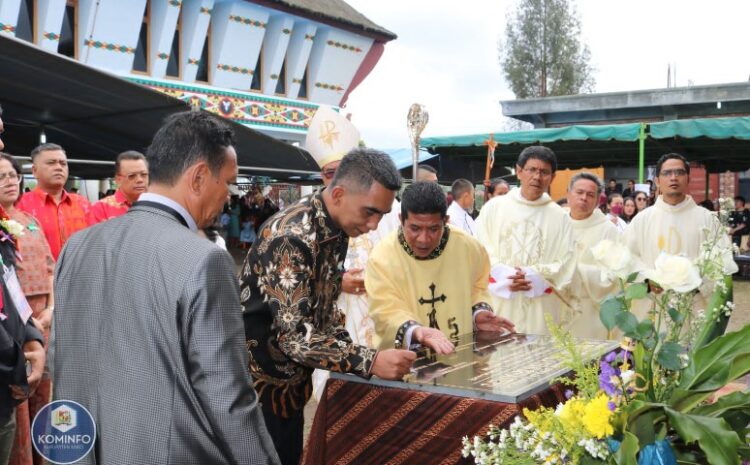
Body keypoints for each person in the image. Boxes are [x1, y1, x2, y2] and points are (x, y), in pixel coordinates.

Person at [51, 111, 279, 464]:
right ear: (199, 177)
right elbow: (226, 394)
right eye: (228, 183)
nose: (228, 197)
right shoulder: (205, 260)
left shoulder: (77, 246)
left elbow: (61, 356)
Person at [240, 148, 416, 465]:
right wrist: (370, 360)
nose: (374, 225)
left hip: (291, 387)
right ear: (338, 193)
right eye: (370, 212)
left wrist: (352, 351)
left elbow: (325, 308)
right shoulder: (291, 238)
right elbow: (295, 338)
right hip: (257, 394)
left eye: (382, 216)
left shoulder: (336, 228)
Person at [306, 106, 402, 401]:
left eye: (340, 172)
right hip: (337, 317)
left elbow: (403, 258)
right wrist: (338, 282)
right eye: (328, 173)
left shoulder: (388, 210)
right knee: (337, 399)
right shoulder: (308, 216)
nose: (334, 180)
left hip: (379, 311)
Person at [367, 182, 515, 352]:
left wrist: (478, 314)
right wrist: (416, 331)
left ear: (446, 221)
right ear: (401, 219)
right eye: (415, 228)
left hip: (459, 354)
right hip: (407, 362)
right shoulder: (383, 258)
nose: (423, 239)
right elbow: (384, 309)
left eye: (433, 229)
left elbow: (478, 288)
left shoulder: (468, 248)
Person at [624, 153, 738, 320]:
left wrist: (698, 283)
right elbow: (627, 258)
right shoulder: (642, 220)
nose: (673, 178)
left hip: (692, 306)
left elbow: (723, 261)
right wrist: (646, 280)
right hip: (653, 308)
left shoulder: (706, 218)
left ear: (688, 178)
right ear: (657, 181)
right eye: (667, 173)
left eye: (679, 172)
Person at [475, 146, 575, 334]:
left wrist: (534, 276)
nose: (537, 177)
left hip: (540, 309)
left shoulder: (560, 217)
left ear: (552, 177)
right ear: (519, 171)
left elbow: (567, 261)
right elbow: (479, 249)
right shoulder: (493, 208)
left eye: (544, 172)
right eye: (532, 170)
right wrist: (505, 275)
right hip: (500, 301)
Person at [0, 154, 55, 465]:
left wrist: (51, 309)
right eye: (1, 176)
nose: (10, 181)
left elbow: (50, 268)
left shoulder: (27, 222)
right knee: (16, 410)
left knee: (42, 402)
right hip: (12, 329)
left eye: (13, 175)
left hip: (39, 323)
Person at [562, 173, 619, 339]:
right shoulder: (556, 223)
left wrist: (577, 272)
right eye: (579, 192)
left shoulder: (608, 230)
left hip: (589, 310)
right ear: (568, 194)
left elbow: (614, 277)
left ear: (597, 200)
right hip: (556, 306)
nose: (584, 198)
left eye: (590, 195)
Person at [16, 143, 93, 260]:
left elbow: (94, 242)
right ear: (34, 171)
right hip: (40, 276)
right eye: (51, 163)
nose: (59, 167)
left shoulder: (83, 204)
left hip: (80, 275)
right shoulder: (20, 205)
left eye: (63, 163)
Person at [90, 150, 148, 223]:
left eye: (144, 175)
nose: (140, 180)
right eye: (132, 176)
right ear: (118, 180)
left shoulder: (158, 205)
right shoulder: (101, 208)